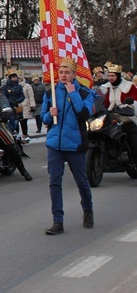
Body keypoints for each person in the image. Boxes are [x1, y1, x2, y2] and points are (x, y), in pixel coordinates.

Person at [41, 58, 96, 235]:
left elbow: (84, 115)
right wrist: (50, 115)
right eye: (61, 72)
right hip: (55, 144)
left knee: (81, 181)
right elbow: (44, 118)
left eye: (67, 72)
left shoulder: (85, 94)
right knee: (54, 183)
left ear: (74, 74)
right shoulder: (51, 93)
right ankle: (58, 221)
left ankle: (88, 210)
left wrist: (73, 94)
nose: (63, 75)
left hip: (75, 144)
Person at [99, 63, 137, 165]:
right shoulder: (105, 87)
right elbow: (101, 100)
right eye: (109, 75)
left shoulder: (129, 86)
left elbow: (134, 99)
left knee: (131, 135)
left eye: (113, 76)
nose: (111, 78)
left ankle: (134, 159)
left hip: (127, 116)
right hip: (110, 115)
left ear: (118, 76)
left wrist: (128, 105)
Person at [2, 69, 25, 135]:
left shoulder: (19, 86)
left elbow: (22, 96)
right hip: (9, 106)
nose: (14, 78)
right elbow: (3, 96)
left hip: (17, 106)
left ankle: (16, 134)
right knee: (10, 121)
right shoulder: (5, 87)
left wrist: (16, 101)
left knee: (16, 122)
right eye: (12, 77)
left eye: (15, 77)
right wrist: (10, 101)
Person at [20, 74, 35, 142]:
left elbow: (31, 96)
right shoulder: (15, 86)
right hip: (17, 105)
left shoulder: (27, 86)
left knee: (23, 121)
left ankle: (25, 134)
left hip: (25, 105)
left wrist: (32, 105)